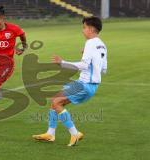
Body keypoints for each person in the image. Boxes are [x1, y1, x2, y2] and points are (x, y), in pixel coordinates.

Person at [32, 16, 107, 147]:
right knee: (55, 101)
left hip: (84, 84)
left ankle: (75, 133)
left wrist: (63, 63)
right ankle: (50, 133)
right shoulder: (102, 45)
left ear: (90, 28)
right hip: (91, 85)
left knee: (56, 102)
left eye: (84, 27)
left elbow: (84, 66)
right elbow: (104, 69)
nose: (83, 31)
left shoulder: (90, 43)